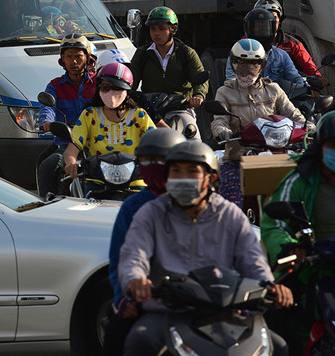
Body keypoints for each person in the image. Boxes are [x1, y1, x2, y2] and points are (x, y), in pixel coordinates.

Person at [118, 140, 294, 356]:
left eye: (192, 172)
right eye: (176, 171)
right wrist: (136, 280)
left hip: (226, 310)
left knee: (279, 347)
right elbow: (134, 256)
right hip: (168, 310)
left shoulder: (230, 214)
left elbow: (254, 261)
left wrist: (269, 287)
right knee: (140, 341)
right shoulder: (151, 213)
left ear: (211, 178)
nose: (183, 178)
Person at [103, 127, 187, 356]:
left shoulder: (213, 206)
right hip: (153, 301)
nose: (152, 166)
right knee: (118, 336)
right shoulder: (134, 207)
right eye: (146, 160)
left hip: (204, 300)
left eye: (159, 160)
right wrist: (125, 297)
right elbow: (122, 258)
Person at [261, 112, 335, 350]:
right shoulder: (300, 179)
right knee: (276, 319)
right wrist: (290, 246)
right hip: (313, 269)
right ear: (321, 146)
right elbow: (275, 223)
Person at [213, 38, 311, 205]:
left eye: (254, 66)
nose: (248, 71)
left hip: (277, 157)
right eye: (243, 65)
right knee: (232, 203)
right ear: (234, 65)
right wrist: (225, 133)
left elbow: (294, 115)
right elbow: (219, 122)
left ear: (262, 66)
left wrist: (308, 127)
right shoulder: (224, 92)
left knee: (306, 194)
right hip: (239, 159)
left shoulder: (274, 89)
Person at [63, 62, 155, 182]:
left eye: (118, 89)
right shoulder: (89, 115)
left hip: (135, 184)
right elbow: (73, 147)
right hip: (97, 183)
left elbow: (157, 144)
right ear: (98, 88)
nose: (112, 93)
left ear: (128, 91)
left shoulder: (139, 115)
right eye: (106, 88)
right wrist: (71, 164)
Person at [129, 7, 208, 136]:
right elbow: (131, 82)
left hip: (180, 109)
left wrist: (198, 96)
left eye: (161, 28)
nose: (156, 33)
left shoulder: (187, 53)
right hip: (149, 111)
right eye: (152, 29)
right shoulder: (142, 53)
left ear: (173, 29)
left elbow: (200, 78)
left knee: (194, 142)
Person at [36, 34, 97, 197]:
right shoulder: (55, 85)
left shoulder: (99, 83)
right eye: (69, 56)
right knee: (47, 167)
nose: (74, 61)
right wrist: (47, 122)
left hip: (97, 143)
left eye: (78, 56)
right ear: (62, 59)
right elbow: (47, 108)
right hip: (66, 144)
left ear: (87, 57)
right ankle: (47, 207)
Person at [225, 8, 307, 86]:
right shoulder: (237, 54)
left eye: (265, 28)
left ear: (273, 28)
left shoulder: (281, 55)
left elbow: (296, 79)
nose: (261, 32)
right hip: (246, 99)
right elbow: (232, 81)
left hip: (278, 98)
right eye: (257, 28)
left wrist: (308, 87)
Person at [254, 0, 325, 84]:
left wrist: (317, 82)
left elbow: (306, 68)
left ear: (279, 19)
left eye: (273, 18)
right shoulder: (244, 44)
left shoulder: (290, 46)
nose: (269, 22)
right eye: (264, 18)